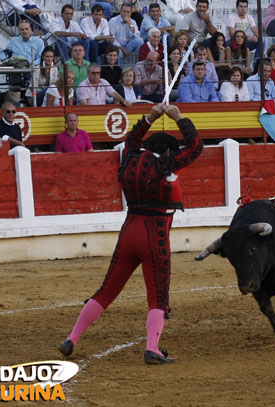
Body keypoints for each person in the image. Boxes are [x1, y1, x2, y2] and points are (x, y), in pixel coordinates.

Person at [57, 103, 203, 365]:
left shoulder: (130, 159)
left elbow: (131, 140)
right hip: (154, 237)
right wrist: (178, 117)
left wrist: (150, 117)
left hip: (128, 233)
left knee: (106, 291)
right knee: (158, 295)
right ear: (167, 151)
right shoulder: (166, 166)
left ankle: (72, 338)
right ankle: (152, 348)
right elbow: (196, 148)